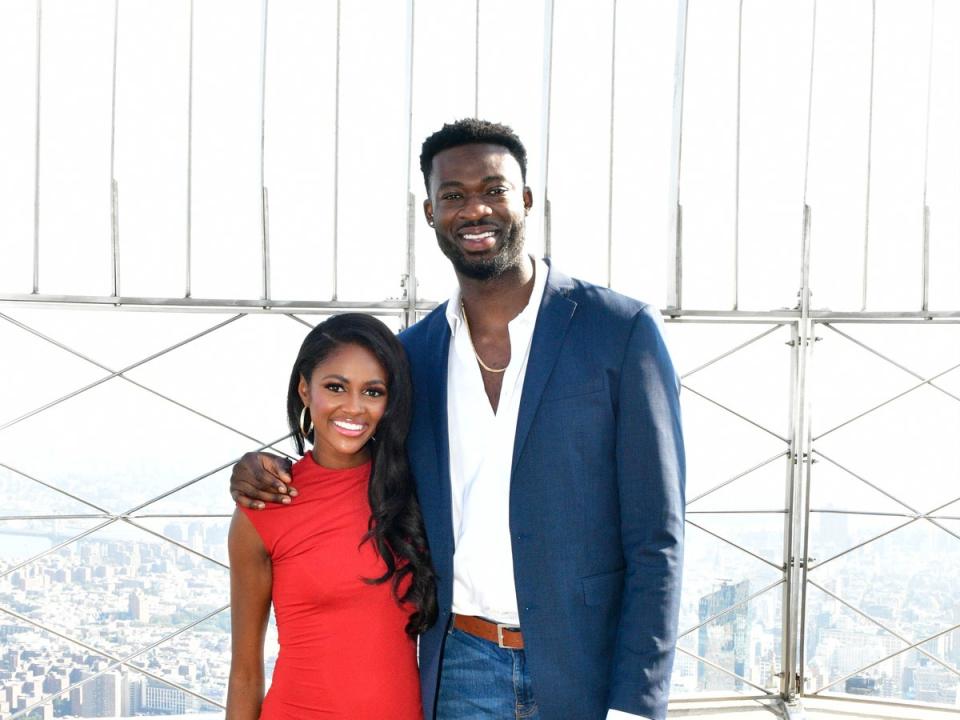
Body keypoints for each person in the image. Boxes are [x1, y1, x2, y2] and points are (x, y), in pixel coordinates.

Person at [231, 119, 685, 720]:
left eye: (494, 189)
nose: (475, 208)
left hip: (588, 668)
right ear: (429, 211)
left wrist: (636, 704)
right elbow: (354, 454)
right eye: (453, 195)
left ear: (525, 200)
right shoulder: (412, 357)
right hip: (459, 670)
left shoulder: (620, 332)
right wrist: (259, 468)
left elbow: (658, 537)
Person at [226, 313, 437, 720]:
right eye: (335, 387)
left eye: (373, 392)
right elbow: (245, 674)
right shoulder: (264, 507)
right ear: (305, 389)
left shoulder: (414, 492)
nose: (353, 408)